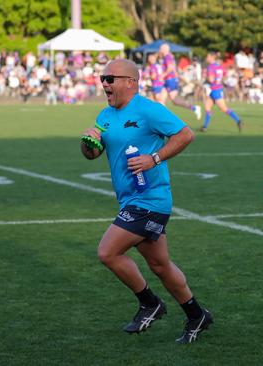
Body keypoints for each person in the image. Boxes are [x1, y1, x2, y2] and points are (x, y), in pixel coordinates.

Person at [80, 59, 213, 344]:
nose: (104, 83)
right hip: (129, 199)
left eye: (110, 78)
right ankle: (196, 315)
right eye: (102, 78)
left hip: (151, 198)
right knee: (160, 265)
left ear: (130, 81)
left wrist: (154, 158)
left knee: (108, 252)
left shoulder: (149, 110)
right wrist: (88, 141)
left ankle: (150, 303)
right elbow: (91, 155)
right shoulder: (104, 115)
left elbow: (185, 134)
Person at [200, 51, 244, 132]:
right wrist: (219, 81)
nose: (206, 58)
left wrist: (205, 77)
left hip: (215, 90)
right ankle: (205, 127)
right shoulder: (219, 66)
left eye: (207, 56)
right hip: (216, 89)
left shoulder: (211, 67)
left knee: (224, 109)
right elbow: (225, 75)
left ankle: (238, 121)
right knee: (207, 107)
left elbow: (211, 79)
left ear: (212, 57)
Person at [158, 43, 202, 121]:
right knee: (161, 100)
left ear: (165, 49)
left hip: (170, 80)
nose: (159, 50)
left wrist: (162, 75)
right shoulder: (168, 57)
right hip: (169, 80)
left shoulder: (167, 56)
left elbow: (170, 68)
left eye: (161, 48)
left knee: (175, 101)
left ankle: (194, 108)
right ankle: (163, 119)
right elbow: (174, 69)